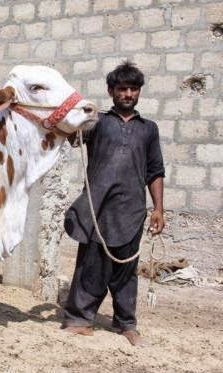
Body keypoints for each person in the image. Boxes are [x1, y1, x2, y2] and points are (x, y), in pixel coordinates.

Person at [62, 61, 165, 347]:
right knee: (90, 266)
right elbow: (71, 136)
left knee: (125, 272)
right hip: (98, 210)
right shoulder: (98, 123)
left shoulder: (149, 129)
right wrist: (72, 115)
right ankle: (80, 319)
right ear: (111, 91)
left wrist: (158, 209)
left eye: (133, 89)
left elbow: (155, 171)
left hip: (131, 210)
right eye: (122, 88)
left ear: (139, 92)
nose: (128, 94)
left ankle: (126, 325)